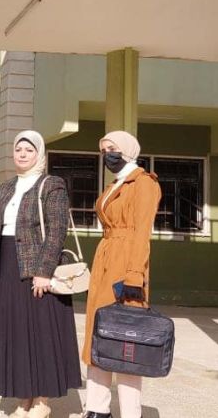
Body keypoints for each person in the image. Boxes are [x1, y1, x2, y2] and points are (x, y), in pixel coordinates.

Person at [0, 130, 82, 418]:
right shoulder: (6, 187)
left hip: (38, 267)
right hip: (8, 265)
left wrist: (44, 271)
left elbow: (57, 231)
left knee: (41, 333)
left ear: (39, 154)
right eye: (19, 149)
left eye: (29, 150)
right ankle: (24, 395)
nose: (22, 154)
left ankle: (42, 399)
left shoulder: (51, 184)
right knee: (17, 333)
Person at [81, 131, 161, 418]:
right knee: (99, 333)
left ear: (127, 149)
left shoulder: (144, 183)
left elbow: (142, 233)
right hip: (105, 256)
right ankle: (97, 408)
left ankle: (130, 412)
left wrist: (134, 274)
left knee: (127, 339)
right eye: (103, 150)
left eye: (112, 148)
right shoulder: (115, 184)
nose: (107, 155)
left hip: (127, 260)